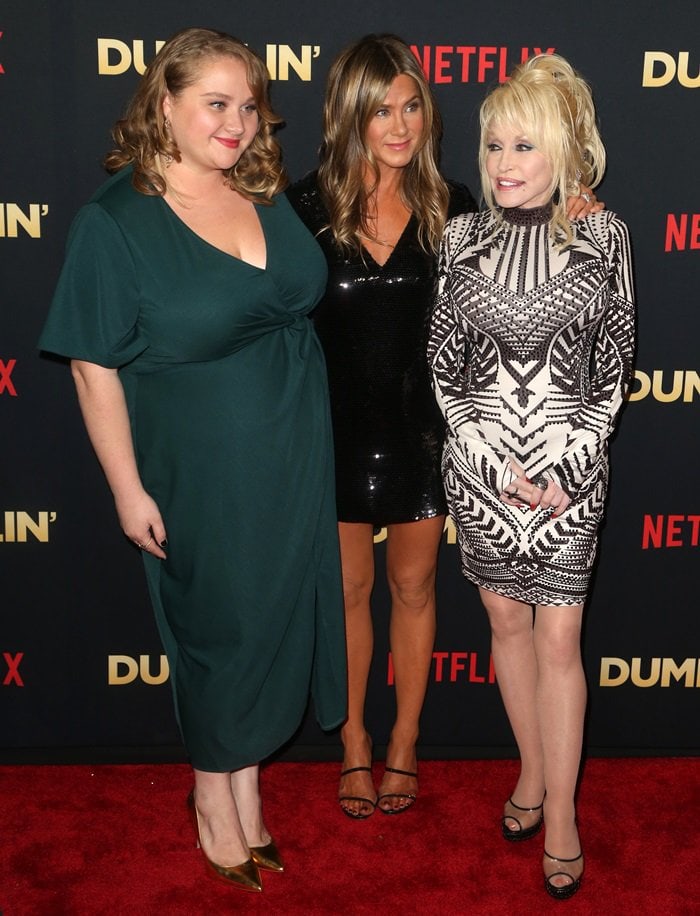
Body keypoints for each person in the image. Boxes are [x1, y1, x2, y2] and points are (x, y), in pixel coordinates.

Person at [39, 27, 346, 893]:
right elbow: (94, 367)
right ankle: (214, 801)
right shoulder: (116, 221)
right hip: (198, 461)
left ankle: (246, 794)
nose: (238, 123)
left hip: (291, 449)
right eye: (216, 103)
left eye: (249, 106)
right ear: (162, 103)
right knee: (221, 631)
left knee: (271, 623)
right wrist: (127, 487)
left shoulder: (263, 191)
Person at [288, 35, 597, 820]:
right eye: (380, 109)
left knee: (415, 586)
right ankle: (356, 740)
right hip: (333, 437)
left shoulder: (456, 208)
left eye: (412, 105)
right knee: (351, 590)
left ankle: (404, 744)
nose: (400, 124)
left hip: (430, 437)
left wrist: (579, 206)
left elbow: (538, 227)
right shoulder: (301, 211)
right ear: (348, 116)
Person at [429, 53, 635, 898]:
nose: (504, 163)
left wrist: (566, 460)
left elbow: (615, 360)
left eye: (524, 145)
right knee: (505, 624)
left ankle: (562, 816)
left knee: (559, 639)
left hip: (569, 477)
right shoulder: (460, 235)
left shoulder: (603, 234)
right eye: (493, 145)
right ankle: (531, 771)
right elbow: (445, 362)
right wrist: (486, 456)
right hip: (479, 473)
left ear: (562, 151)